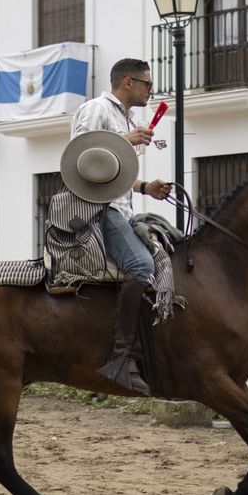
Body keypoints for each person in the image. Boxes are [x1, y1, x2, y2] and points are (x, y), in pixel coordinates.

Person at [69, 57, 172, 394]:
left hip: (122, 207)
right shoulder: (97, 109)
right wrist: (126, 138)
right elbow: (81, 157)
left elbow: (115, 172)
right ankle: (120, 359)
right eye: (147, 84)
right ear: (128, 83)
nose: (151, 91)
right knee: (141, 266)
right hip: (99, 208)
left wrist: (145, 188)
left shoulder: (127, 117)